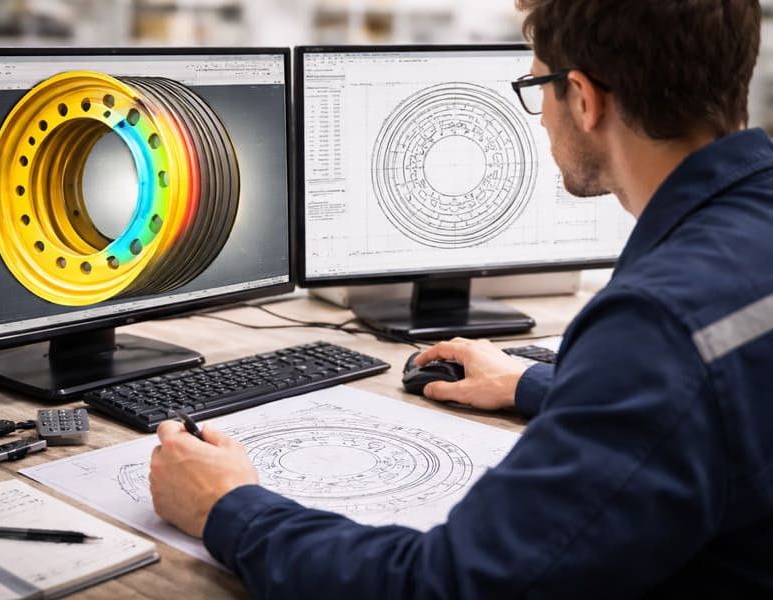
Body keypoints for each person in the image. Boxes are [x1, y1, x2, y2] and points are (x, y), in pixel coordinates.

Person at [149, 0, 773, 596]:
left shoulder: (656, 326)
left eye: (536, 89)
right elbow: (726, 392)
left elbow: (444, 585)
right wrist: (536, 385)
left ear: (582, 99)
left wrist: (228, 507)